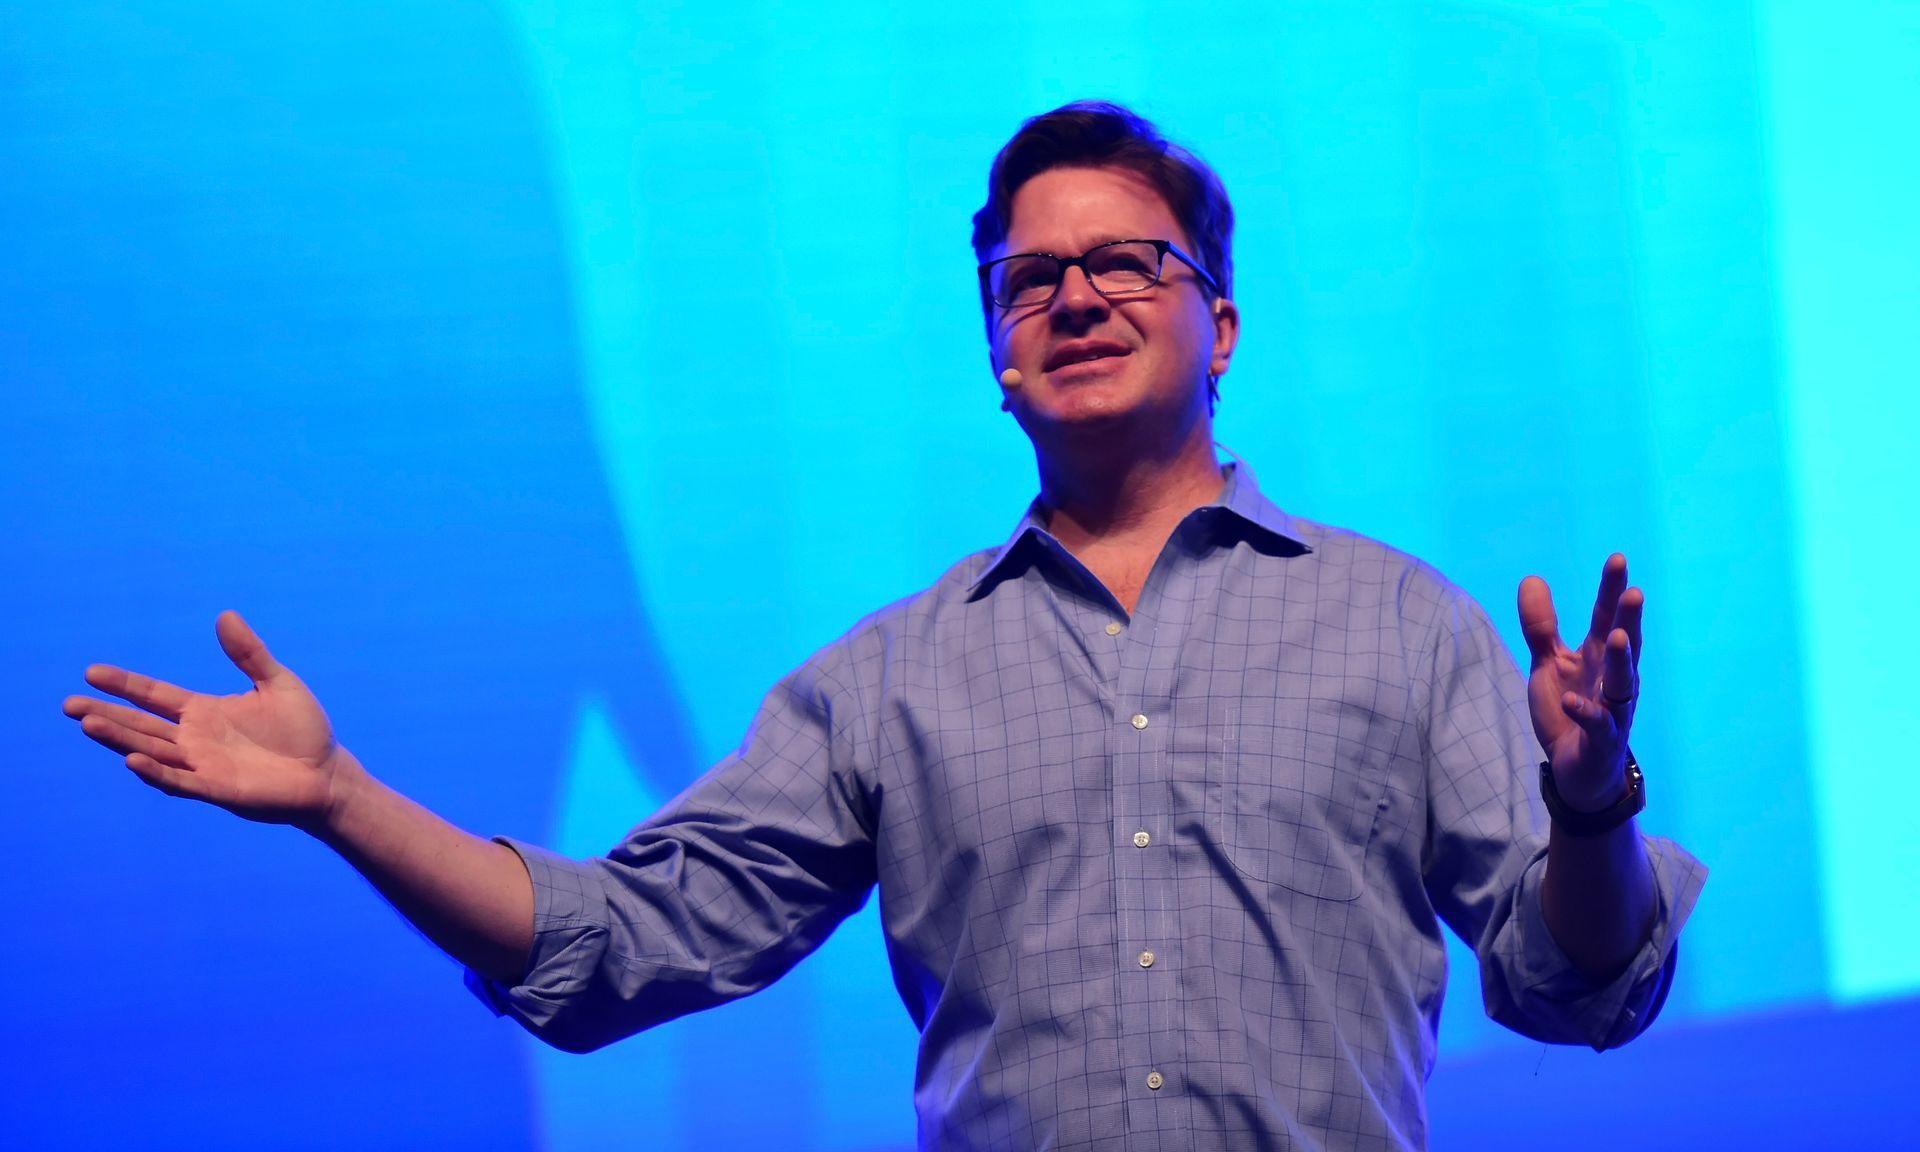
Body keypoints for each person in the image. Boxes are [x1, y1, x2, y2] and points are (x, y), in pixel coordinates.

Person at [64, 101, 1703, 1151]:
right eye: (1025, 277)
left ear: (1223, 319)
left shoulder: (1397, 624)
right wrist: (344, 799)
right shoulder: (889, 681)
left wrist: (1585, 802)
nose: (1072, 297)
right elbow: (610, 950)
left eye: (1128, 262)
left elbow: (1577, 988)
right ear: (996, 347)